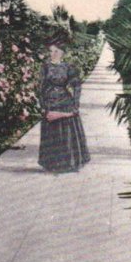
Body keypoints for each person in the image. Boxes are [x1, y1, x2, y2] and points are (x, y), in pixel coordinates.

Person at [38, 36, 91, 173]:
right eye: (50, 51)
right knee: (52, 135)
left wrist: (75, 104)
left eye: (55, 51)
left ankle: (69, 163)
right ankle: (53, 164)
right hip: (50, 103)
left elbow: (77, 86)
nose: (52, 54)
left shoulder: (68, 67)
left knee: (66, 133)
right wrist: (43, 106)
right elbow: (40, 87)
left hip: (65, 102)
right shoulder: (45, 67)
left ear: (62, 53)